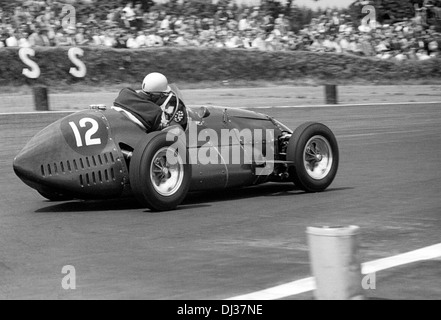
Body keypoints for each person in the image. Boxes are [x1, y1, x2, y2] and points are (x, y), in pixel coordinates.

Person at [113, 73, 179, 133]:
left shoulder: (124, 94)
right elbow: (155, 135)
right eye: (162, 95)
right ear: (155, 95)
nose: (162, 97)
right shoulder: (155, 112)